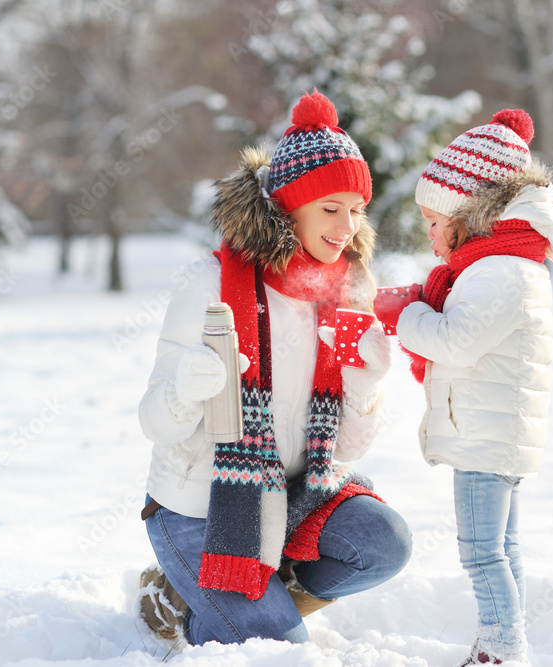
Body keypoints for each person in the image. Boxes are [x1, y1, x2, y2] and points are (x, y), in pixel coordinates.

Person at [137, 90, 412, 646]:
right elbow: (154, 422)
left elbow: (349, 449)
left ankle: (254, 595)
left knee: (385, 544)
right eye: (330, 209)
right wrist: (190, 386)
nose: (347, 227)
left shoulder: (343, 292)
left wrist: (365, 383)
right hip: (199, 508)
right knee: (282, 650)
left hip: (293, 497)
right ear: (288, 206)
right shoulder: (209, 284)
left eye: (356, 210)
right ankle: (179, 601)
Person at [374, 109, 553, 665]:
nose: (431, 238)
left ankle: (501, 648)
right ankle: (505, 642)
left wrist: (404, 315)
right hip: (495, 432)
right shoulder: (497, 266)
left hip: (486, 439)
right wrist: (412, 300)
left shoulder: (502, 271)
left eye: (434, 224)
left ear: (467, 213)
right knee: (502, 549)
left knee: (482, 553)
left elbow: (457, 340)